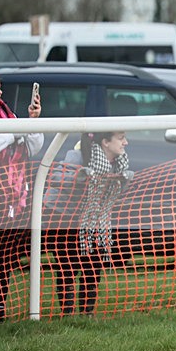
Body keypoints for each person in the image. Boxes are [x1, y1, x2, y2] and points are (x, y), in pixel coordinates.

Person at [43, 132, 132, 316]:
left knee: (93, 265)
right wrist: (78, 177)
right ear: (106, 142)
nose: (126, 142)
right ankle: (67, 314)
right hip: (62, 215)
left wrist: (124, 181)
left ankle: (87, 314)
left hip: (94, 218)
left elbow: (113, 194)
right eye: (121, 138)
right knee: (68, 267)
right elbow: (54, 178)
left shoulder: (120, 161)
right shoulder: (77, 155)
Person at [0, 72, 43, 323]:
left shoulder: (8, 117)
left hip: (12, 204)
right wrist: (15, 131)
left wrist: (31, 122)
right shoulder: (8, 124)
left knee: (5, 259)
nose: (0, 93)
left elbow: (33, 148)